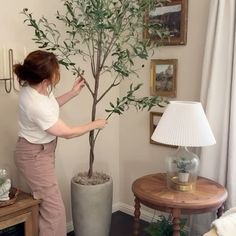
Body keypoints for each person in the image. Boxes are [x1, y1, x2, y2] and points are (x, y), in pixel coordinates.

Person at [13, 50, 107, 236]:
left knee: (49, 206)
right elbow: (67, 133)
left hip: (40, 153)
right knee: (54, 210)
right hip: (35, 156)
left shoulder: (35, 88)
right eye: (56, 71)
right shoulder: (35, 103)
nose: (58, 74)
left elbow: (50, 106)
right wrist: (95, 124)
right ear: (46, 78)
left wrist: (72, 93)